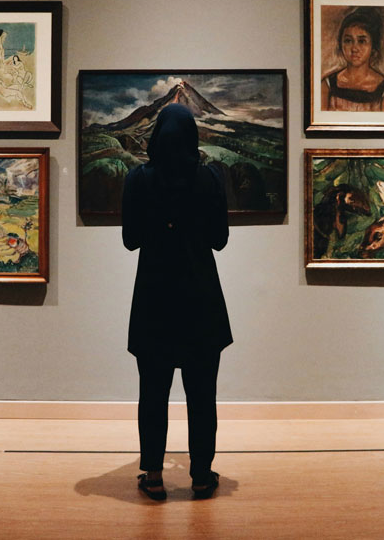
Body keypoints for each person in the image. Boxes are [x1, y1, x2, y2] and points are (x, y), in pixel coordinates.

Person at [122, 103, 231, 501]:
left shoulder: (138, 179)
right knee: (202, 396)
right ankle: (200, 475)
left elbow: (130, 240)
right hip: (201, 300)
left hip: (154, 299)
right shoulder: (209, 178)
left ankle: (153, 475)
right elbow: (220, 240)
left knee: (153, 393)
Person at [322, 7, 384, 111]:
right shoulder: (327, 85)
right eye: (348, 41)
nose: (354, 48)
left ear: (373, 47)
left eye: (362, 41)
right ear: (341, 44)